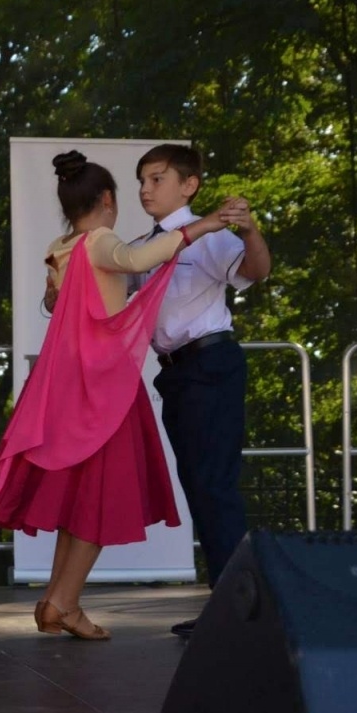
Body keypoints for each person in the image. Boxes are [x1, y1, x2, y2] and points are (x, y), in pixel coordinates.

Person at [0, 152, 232, 639]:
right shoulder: (99, 240)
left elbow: (56, 298)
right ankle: (66, 603)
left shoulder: (61, 245)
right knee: (99, 497)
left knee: (78, 496)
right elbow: (136, 260)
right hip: (103, 385)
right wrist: (207, 225)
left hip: (66, 381)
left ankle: (55, 599)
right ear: (108, 199)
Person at [134, 144, 271, 638]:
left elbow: (255, 272)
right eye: (142, 182)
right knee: (199, 486)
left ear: (188, 185)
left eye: (157, 179)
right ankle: (228, 605)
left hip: (210, 363)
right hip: (175, 374)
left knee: (214, 484)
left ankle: (244, 611)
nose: (146, 189)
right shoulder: (145, 246)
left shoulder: (210, 236)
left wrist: (249, 230)